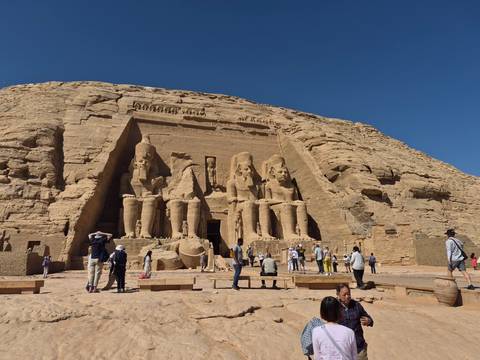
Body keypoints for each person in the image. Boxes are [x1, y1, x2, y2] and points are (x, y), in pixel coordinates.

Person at [337, 283, 373, 360]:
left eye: (349, 294)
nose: (347, 296)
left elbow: (369, 318)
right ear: (338, 295)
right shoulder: (334, 308)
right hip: (342, 350)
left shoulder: (356, 305)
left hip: (359, 348)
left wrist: (369, 321)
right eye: (344, 294)